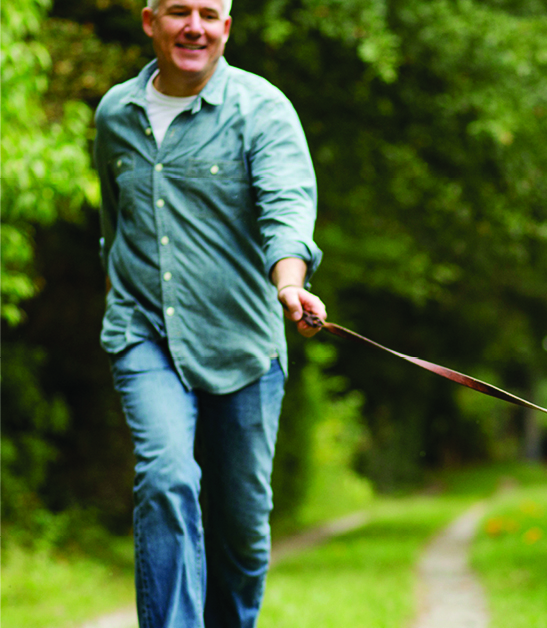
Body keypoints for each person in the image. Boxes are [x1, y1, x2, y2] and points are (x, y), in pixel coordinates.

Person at [93, 0, 325, 625]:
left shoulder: (262, 109)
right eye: (177, 11)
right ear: (150, 22)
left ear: (226, 26)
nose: (193, 25)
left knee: (241, 536)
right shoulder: (116, 114)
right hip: (144, 334)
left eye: (207, 13)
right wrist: (119, 301)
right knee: (166, 479)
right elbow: (114, 224)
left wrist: (289, 284)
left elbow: (286, 206)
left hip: (242, 343)